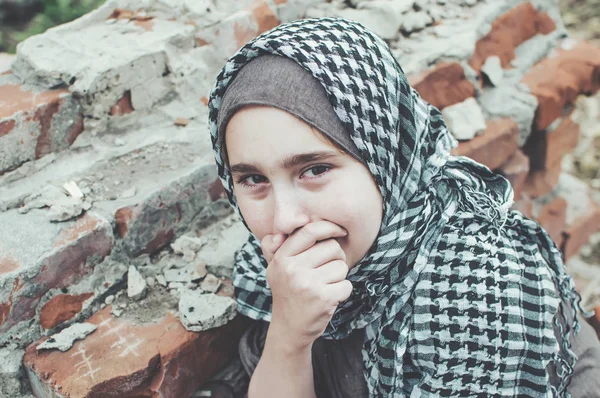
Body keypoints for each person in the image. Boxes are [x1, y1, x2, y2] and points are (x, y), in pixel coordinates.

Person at [207, 17, 600, 397]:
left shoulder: (477, 290)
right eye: (253, 180)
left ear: (387, 160)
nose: (285, 218)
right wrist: (288, 337)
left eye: (316, 169)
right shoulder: (278, 273)